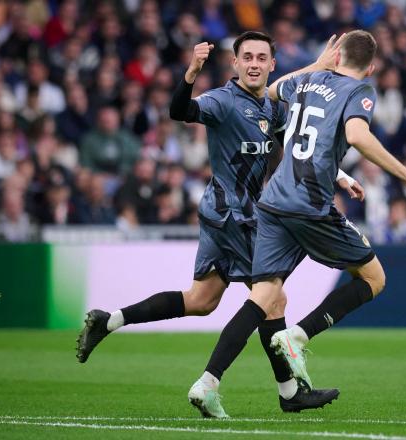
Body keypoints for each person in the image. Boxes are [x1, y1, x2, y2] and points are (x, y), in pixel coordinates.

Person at [76, 31, 363, 417]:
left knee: (202, 301)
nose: (255, 63)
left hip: (223, 213)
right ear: (235, 63)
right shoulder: (223, 101)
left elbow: (298, 149)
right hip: (234, 215)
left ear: (272, 65)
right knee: (272, 298)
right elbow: (181, 111)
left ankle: (108, 321)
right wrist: (191, 72)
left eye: (262, 57)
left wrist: (340, 176)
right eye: (247, 57)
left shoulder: (271, 110)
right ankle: (270, 389)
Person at [188, 30, 406, 415]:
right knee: (375, 279)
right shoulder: (361, 90)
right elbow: (357, 135)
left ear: (337, 57)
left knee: (264, 297)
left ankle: (208, 382)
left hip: (272, 203)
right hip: (308, 204)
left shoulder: (307, 80)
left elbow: (271, 91)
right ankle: (299, 335)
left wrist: (316, 65)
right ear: (371, 67)